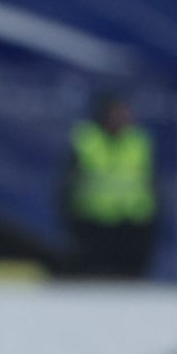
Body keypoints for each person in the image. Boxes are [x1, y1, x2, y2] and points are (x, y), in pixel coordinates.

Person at [60, 92, 158, 278]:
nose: (121, 117)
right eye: (116, 112)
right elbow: (66, 185)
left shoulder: (139, 142)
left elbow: (152, 185)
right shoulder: (86, 140)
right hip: (92, 225)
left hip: (132, 225)